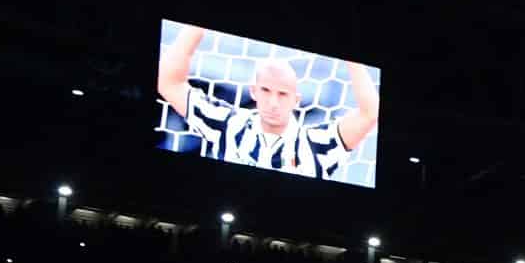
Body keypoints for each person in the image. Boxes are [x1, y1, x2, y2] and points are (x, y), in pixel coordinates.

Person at [157, 23, 380, 180]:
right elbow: (169, 82)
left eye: (283, 94)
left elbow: (369, 114)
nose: (273, 102)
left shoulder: (318, 144)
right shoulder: (229, 124)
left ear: (296, 100)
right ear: (253, 92)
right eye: (265, 90)